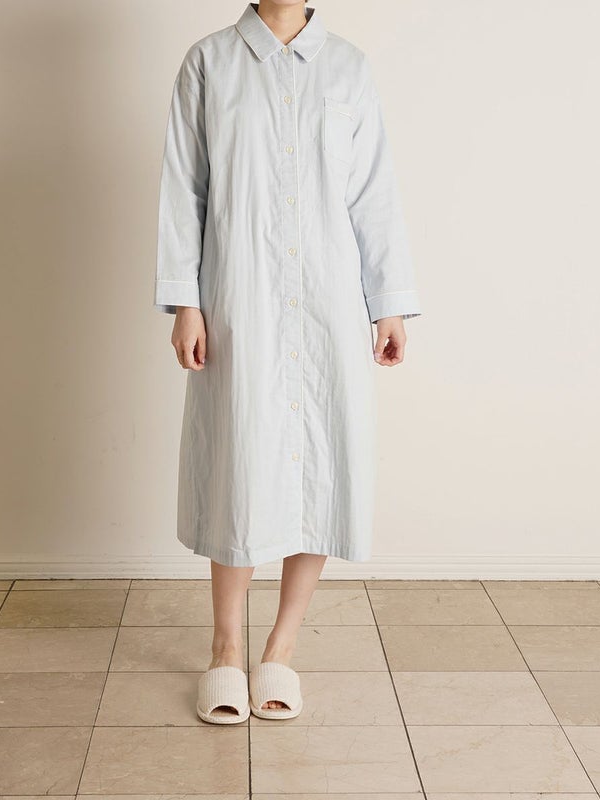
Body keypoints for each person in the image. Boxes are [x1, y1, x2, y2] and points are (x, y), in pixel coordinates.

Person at [153, 1, 422, 723]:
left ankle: (282, 648)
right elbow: (184, 189)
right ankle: (225, 650)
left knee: (322, 463)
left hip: (329, 299)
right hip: (239, 297)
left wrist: (388, 304)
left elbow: (373, 195)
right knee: (240, 463)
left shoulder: (348, 67)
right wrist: (185, 302)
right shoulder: (209, 64)